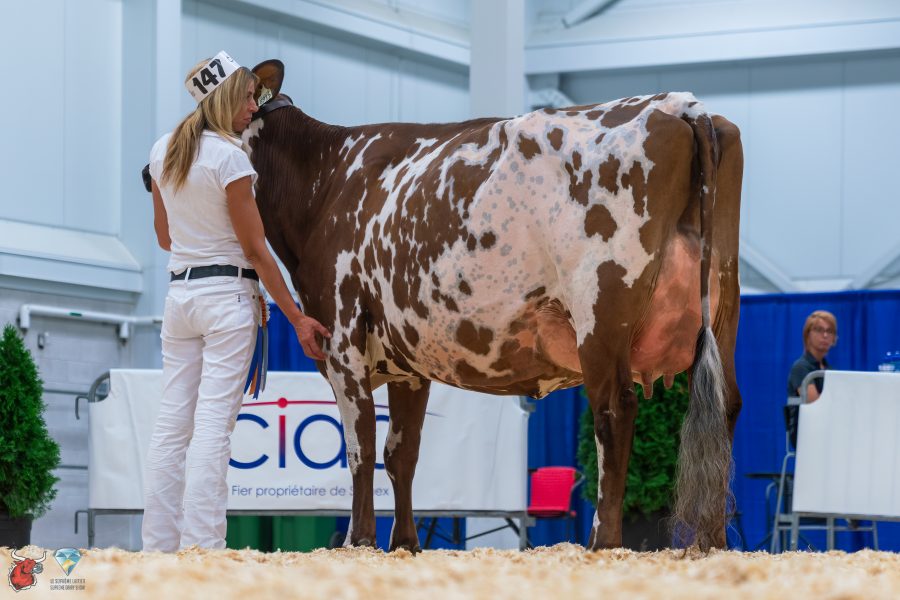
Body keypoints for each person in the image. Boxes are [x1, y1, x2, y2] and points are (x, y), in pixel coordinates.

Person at [142, 51, 330, 552]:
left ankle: (157, 547)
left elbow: (164, 237)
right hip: (226, 296)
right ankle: (203, 547)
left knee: (171, 425)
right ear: (226, 98)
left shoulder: (162, 150)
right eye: (248, 97)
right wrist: (297, 317)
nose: (254, 106)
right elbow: (256, 250)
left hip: (180, 296)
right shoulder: (231, 158)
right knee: (212, 426)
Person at [787, 310, 838, 402]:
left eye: (829, 331)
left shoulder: (830, 369)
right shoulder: (800, 367)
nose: (825, 335)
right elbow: (815, 404)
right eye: (819, 330)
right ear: (807, 335)